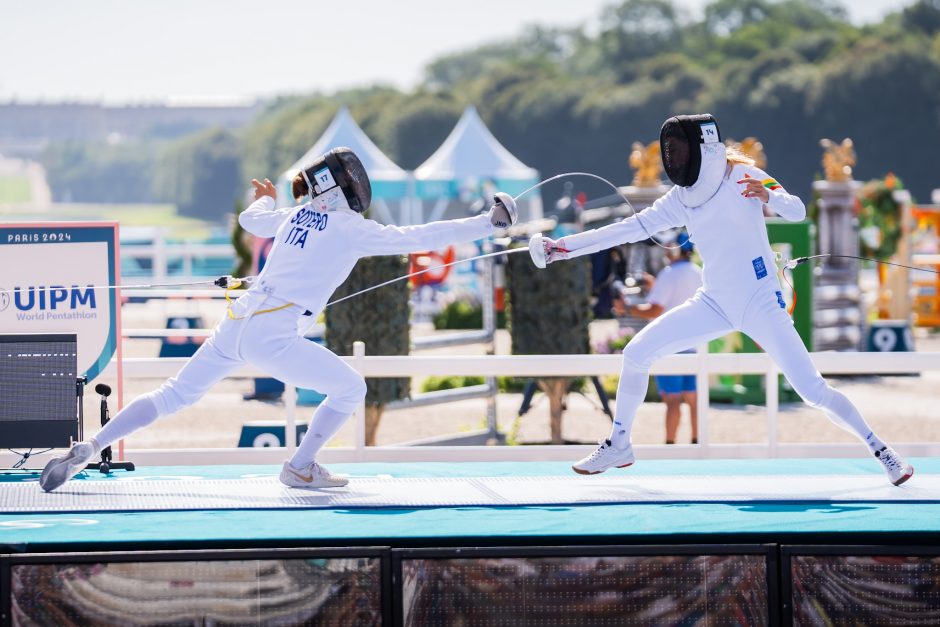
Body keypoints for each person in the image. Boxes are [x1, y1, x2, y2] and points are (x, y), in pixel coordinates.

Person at [40, 147, 517, 492]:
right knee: (351, 389)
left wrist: (267, 199)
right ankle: (301, 466)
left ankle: (93, 444)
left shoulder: (292, 217)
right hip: (274, 330)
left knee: (174, 395)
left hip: (238, 321)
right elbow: (417, 235)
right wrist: (484, 223)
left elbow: (251, 220)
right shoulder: (352, 228)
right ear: (343, 186)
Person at [530, 114, 914, 486]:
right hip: (713, 302)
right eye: (672, 152)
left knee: (813, 392)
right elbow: (626, 229)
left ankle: (882, 451)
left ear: (702, 148)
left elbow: (796, 210)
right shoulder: (680, 198)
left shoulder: (744, 175)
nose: (675, 159)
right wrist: (562, 248)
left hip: (762, 302)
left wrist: (769, 196)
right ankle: (620, 444)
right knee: (636, 353)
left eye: (680, 151)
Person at [614, 231, 702, 444]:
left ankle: (670, 445)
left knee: (672, 400)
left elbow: (654, 310)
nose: (665, 249)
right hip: (692, 346)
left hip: (668, 348)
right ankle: (697, 443)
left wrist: (627, 309)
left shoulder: (669, 274)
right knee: (693, 399)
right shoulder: (699, 272)